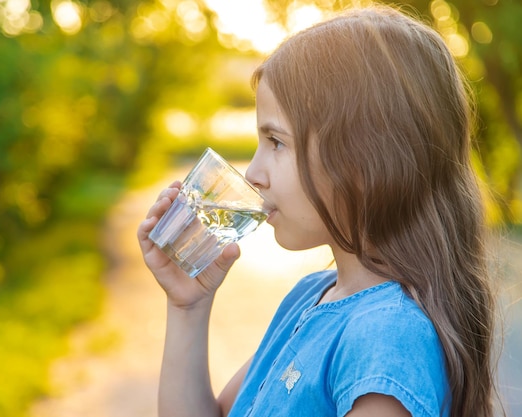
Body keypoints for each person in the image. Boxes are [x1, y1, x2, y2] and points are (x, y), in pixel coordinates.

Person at [137, 4, 501, 417]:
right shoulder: (312, 297)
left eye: (275, 141)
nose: (253, 173)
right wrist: (188, 307)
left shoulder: (387, 335)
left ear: (365, 161)